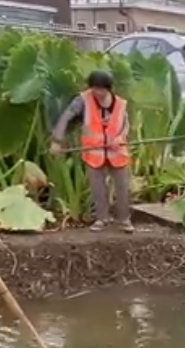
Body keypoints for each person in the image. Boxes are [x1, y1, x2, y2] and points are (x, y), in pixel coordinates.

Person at [51, 70, 134, 232]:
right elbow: (66, 117)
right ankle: (102, 219)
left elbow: (125, 125)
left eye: (101, 89)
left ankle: (124, 220)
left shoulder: (120, 103)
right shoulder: (83, 100)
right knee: (98, 189)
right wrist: (57, 141)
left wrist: (118, 139)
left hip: (117, 152)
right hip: (93, 152)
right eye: (95, 88)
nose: (98, 92)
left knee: (122, 188)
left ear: (109, 88)